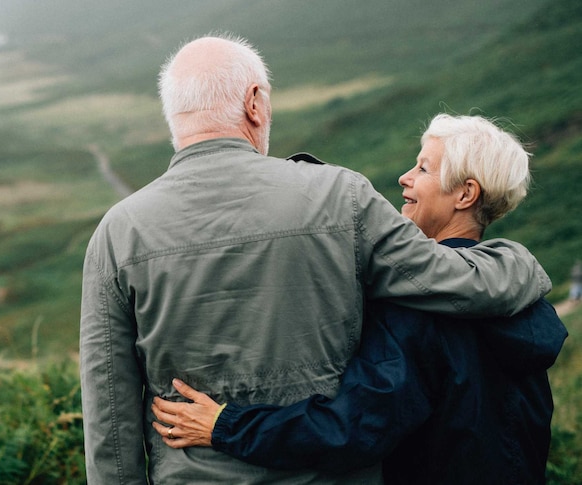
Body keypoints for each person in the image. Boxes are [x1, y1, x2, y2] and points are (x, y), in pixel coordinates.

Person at [80, 34, 551, 484]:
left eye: (424, 168)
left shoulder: (116, 234)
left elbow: (110, 420)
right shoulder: (341, 197)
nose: (408, 178)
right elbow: (452, 282)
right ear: (254, 102)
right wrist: (521, 263)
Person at [150, 114, 568, 484]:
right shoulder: (524, 302)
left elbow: (352, 430)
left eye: (423, 168)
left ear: (465, 195)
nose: (405, 177)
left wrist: (225, 425)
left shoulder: (419, 310)